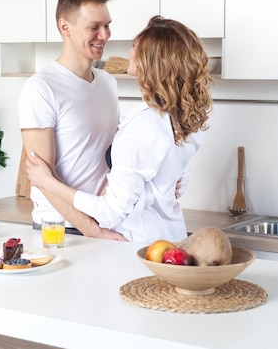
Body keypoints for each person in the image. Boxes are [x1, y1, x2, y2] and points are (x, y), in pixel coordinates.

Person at [26, 16, 213, 244]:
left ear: (150, 62)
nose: (129, 51)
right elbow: (178, 186)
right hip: (171, 239)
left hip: (138, 248)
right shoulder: (184, 118)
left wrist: (47, 182)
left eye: (135, 46)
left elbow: (109, 213)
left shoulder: (143, 127)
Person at [17, 0, 125, 240]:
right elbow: (42, 178)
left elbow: (113, 156)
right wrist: (91, 229)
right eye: (94, 27)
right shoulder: (41, 88)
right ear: (65, 27)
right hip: (61, 230)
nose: (105, 34)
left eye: (107, 25)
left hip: (105, 222)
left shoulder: (108, 82)